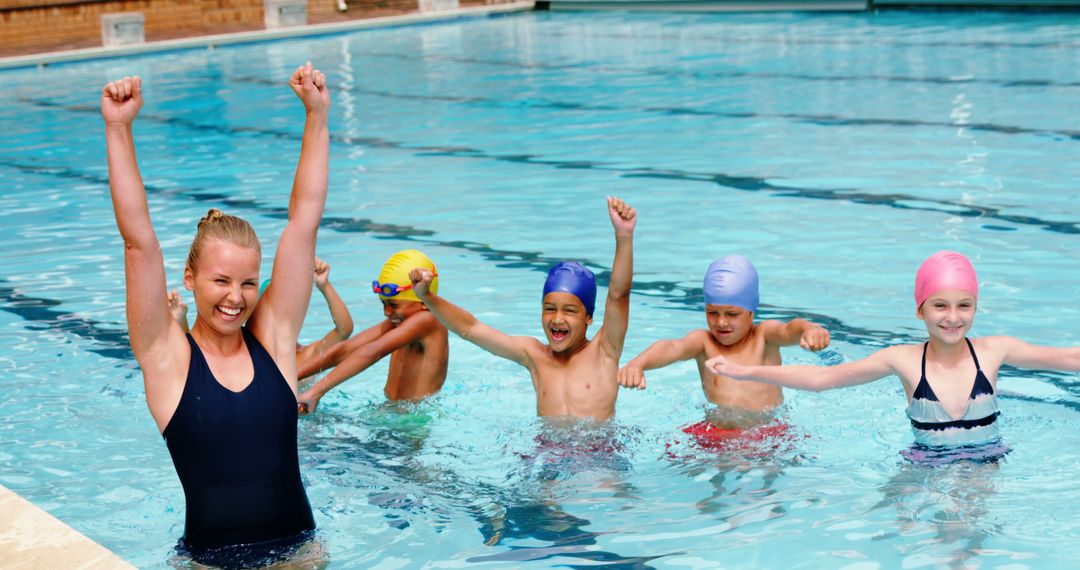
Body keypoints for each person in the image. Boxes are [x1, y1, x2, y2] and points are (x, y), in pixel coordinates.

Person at [102, 62, 330, 560]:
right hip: (210, 562)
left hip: (301, 554)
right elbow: (139, 243)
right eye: (221, 281)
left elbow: (303, 221)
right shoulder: (167, 356)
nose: (236, 297)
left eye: (248, 283)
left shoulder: (273, 337)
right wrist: (118, 128)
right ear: (190, 280)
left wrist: (316, 115)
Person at [706, 250, 1080, 458]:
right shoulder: (902, 359)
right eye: (940, 306)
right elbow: (822, 380)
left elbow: (1069, 358)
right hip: (923, 466)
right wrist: (745, 371)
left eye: (964, 305)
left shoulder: (995, 351)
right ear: (920, 310)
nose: (952, 317)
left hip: (985, 465)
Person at [408, 196, 636, 422]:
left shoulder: (604, 351)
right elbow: (470, 328)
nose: (557, 318)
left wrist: (624, 236)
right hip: (547, 454)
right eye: (549, 308)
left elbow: (618, 296)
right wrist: (426, 296)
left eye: (569, 311)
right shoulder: (534, 355)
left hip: (598, 455)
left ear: (588, 317)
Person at [618, 255, 830, 433]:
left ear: (751, 312)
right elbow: (672, 347)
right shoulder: (704, 342)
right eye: (712, 312)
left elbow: (788, 329)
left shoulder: (764, 337)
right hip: (719, 431)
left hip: (766, 430)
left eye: (732, 314)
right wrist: (638, 363)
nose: (721, 322)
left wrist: (808, 329)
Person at [297, 249, 449, 412]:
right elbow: (347, 349)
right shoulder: (399, 322)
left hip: (412, 427)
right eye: (383, 304)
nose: (387, 312)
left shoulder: (429, 320)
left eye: (393, 305)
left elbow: (371, 352)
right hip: (389, 413)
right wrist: (291, 376)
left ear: (424, 301)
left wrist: (315, 392)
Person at [173, 257, 355, 365]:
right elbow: (194, 361)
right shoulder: (248, 356)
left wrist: (324, 285)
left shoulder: (306, 356)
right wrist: (181, 321)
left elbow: (344, 330)